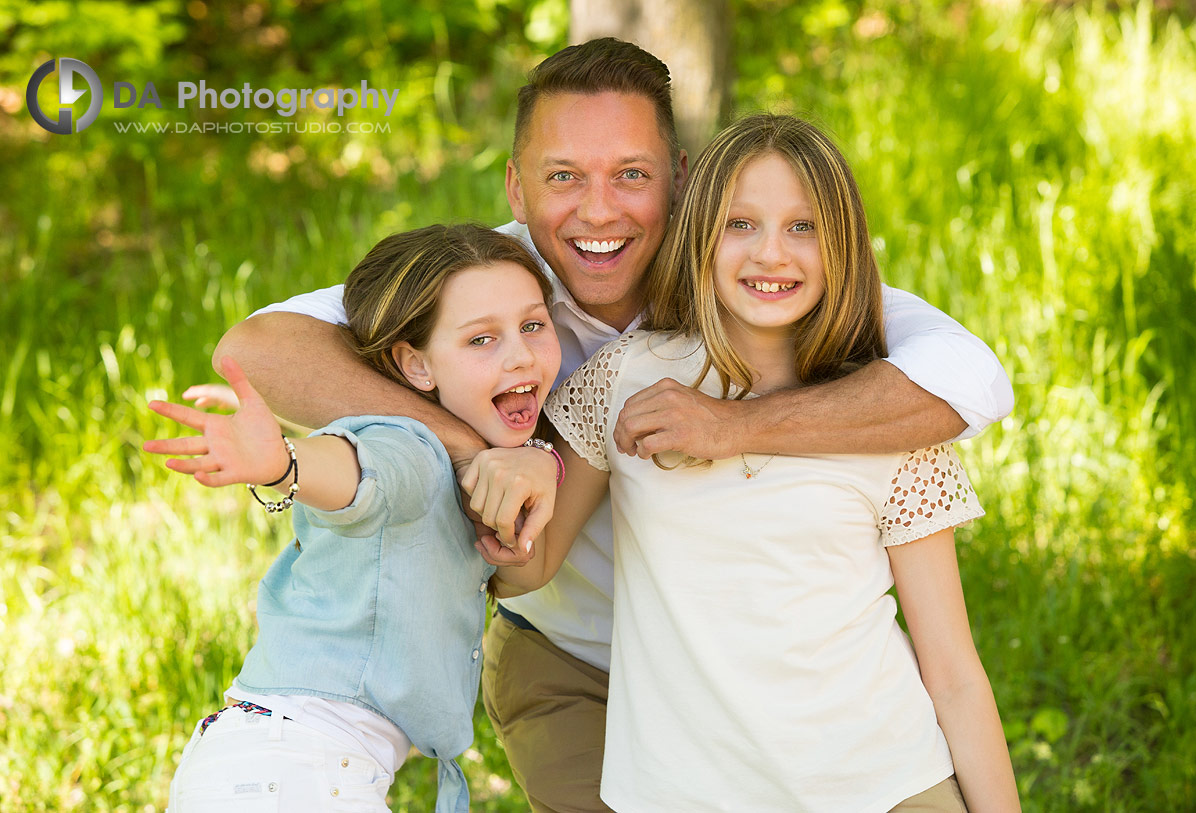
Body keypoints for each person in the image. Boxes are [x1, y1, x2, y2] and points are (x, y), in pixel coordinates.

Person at [213, 39, 1015, 812]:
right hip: (572, 662)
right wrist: (503, 456)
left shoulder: (772, 283)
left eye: (631, 174)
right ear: (516, 190)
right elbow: (261, 348)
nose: (598, 209)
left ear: (680, 181)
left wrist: (735, 426)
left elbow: (970, 382)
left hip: (813, 705)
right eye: (564, 176)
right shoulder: (483, 288)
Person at [478, 113, 1021, 811]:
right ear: (699, 234)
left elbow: (952, 673)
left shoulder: (887, 410)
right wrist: (509, 477)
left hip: (886, 782)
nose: (773, 254)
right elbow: (528, 566)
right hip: (685, 792)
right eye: (741, 224)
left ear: (842, 247)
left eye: (804, 227)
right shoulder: (625, 380)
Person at [144, 224, 563, 813]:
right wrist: (286, 466)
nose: (520, 354)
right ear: (416, 367)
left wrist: (541, 458)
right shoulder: (410, 449)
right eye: (480, 341)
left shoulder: (477, 457)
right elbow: (362, 472)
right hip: (292, 771)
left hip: (281, 760)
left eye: (533, 325)